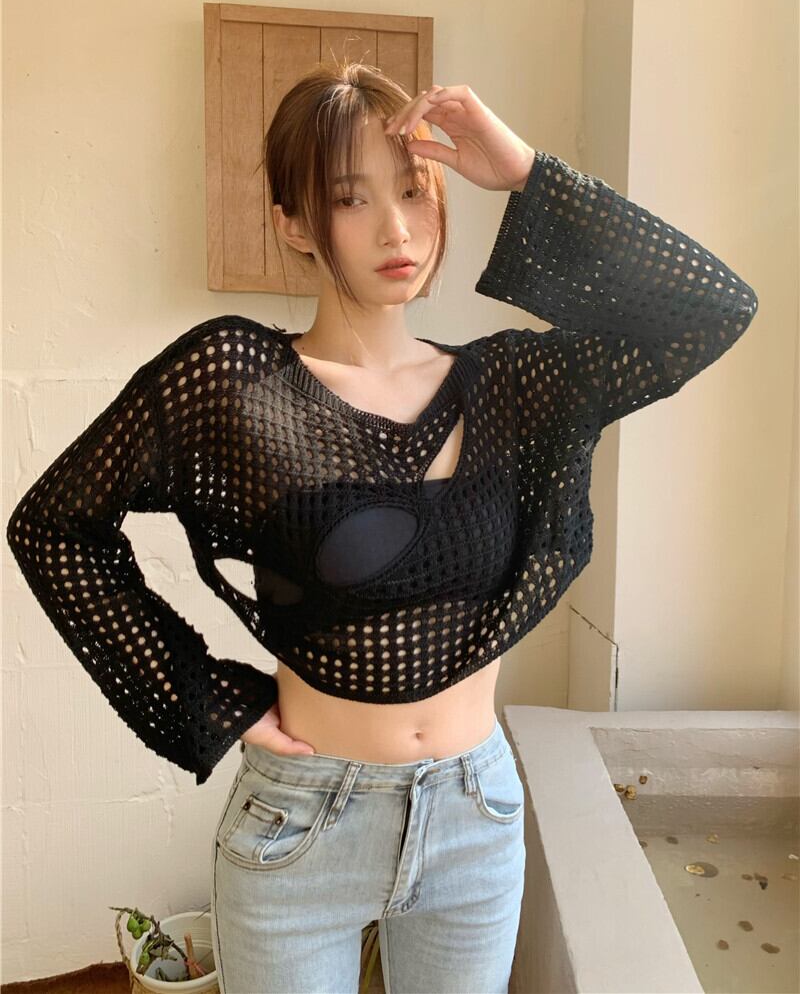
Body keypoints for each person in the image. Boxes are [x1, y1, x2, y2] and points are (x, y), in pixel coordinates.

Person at [6, 62, 758, 994]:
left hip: (476, 813)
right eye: (350, 199)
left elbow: (711, 309)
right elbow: (55, 526)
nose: (396, 229)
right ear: (295, 222)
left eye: (412, 190)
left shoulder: (514, 384)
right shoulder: (236, 380)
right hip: (302, 825)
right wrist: (205, 698)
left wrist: (526, 172)